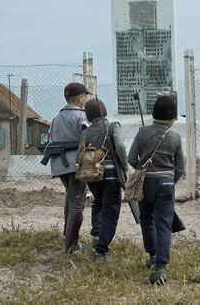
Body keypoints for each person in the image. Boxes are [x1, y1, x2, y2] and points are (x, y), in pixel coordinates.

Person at [128, 93, 184, 285]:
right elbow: (180, 167)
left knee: (146, 219)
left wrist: (142, 170)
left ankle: (152, 254)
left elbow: (131, 159)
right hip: (166, 184)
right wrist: (170, 181)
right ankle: (161, 267)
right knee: (164, 224)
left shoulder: (142, 132)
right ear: (173, 118)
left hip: (145, 184)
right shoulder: (175, 138)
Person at [80, 98, 129, 264]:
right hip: (111, 175)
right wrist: (125, 166)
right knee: (111, 210)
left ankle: (96, 235)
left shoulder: (86, 132)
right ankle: (101, 250)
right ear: (105, 111)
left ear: (88, 116)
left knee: (98, 204)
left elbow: (81, 152)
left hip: (93, 175)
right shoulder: (113, 126)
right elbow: (120, 147)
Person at [47, 82, 90, 253]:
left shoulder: (56, 118)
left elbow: (51, 138)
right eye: (85, 96)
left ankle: (68, 234)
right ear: (80, 98)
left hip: (59, 165)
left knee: (70, 198)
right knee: (77, 203)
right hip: (77, 164)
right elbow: (89, 137)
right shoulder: (82, 118)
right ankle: (71, 245)